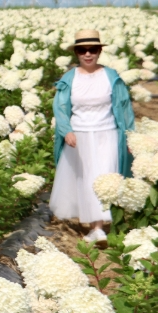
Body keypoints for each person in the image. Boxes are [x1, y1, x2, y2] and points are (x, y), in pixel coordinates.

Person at [49, 30, 135, 243]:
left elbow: (125, 108)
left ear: (100, 51)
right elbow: (59, 107)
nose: (88, 54)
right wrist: (66, 130)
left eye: (93, 50)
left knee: (104, 177)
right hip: (79, 137)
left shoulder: (112, 77)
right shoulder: (70, 79)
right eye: (82, 50)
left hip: (108, 134)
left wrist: (130, 136)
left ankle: (98, 227)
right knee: (86, 179)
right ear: (76, 53)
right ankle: (93, 226)